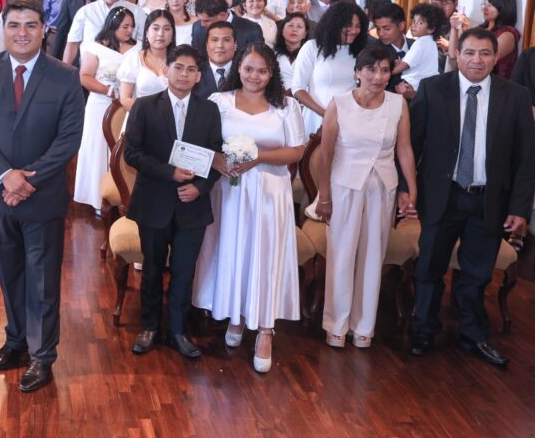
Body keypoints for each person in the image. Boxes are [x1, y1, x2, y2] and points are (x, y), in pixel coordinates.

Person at [0, 0, 84, 393]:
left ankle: (42, 355)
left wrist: (28, 179)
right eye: (14, 25)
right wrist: (5, 177)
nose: (22, 33)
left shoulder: (65, 76)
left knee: (43, 281)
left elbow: (68, 139)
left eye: (31, 25)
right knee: (9, 273)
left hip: (42, 195)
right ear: (2, 29)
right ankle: (15, 341)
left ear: (44, 30)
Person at [408, 28, 535, 366]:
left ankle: (472, 333)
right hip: (442, 196)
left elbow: (526, 158)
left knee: (477, 274)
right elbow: (412, 146)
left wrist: (520, 208)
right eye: (469, 52)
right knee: (429, 268)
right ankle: (423, 329)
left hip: (489, 200)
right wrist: (407, 190)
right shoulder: (433, 89)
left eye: (484, 53)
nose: (476, 60)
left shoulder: (516, 96)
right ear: (457, 54)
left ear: (496, 58)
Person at [192, 44, 306, 373]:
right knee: (234, 250)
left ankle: (266, 329)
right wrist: (218, 159)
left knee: (264, 255)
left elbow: (296, 151)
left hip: (270, 191)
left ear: (272, 74)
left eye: (262, 71)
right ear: (238, 68)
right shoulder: (219, 101)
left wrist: (258, 157)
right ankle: (237, 315)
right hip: (229, 191)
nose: (254, 76)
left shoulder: (286, 106)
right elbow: (205, 142)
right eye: (248, 69)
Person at [313, 46, 417, 348]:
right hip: (344, 184)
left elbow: (404, 149)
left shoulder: (398, 104)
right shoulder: (340, 103)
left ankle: (363, 325)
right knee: (342, 251)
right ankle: (336, 323)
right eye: (371, 70)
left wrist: (411, 188)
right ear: (358, 72)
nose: (378, 77)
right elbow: (326, 154)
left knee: (374, 252)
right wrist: (324, 196)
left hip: (382, 185)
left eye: (384, 70)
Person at [126, 44, 222, 358]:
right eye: (178, 67)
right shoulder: (144, 106)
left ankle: (178, 331)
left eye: (191, 70)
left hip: (192, 204)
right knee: (152, 269)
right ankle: (150, 327)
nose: (184, 74)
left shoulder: (209, 110)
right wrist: (170, 173)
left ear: (199, 76)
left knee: (184, 271)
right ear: (166, 70)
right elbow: (132, 154)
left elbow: (216, 157)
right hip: (154, 201)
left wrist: (200, 188)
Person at [73, 8, 137, 210]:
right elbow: (85, 76)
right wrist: (107, 90)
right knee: (98, 148)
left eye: (132, 26)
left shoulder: (137, 49)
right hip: (101, 103)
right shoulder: (97, 48)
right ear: (113, 25)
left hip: (128, 106)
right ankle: (97, 198)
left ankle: (124, 196)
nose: (129, 30)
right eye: (125, 26)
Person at [292, 1, 368, 135]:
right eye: (349, 26)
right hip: (317, 116)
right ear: (335, 25)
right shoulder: (312, 47)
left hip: (350, 118)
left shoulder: (360, 52)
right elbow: (298, 89)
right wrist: (326, 114)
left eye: (358, 26)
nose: (354, 31)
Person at [62, 0, 146, 66]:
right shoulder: (85, 11)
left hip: (127, 69)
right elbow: (73, 42)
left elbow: (143, 44)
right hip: (90, 69)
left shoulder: (137, 11)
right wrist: (65, 68)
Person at [451, 0, 519, 79]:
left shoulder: (507, 34)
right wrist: (454, 28)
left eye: (490, 5)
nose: (484, 8)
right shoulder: (481, 28)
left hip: (494, 83)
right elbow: (453, 54)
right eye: (484, 5)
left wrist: (467, 31)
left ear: (503, 7)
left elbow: (483, 59)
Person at [119, 10, 174, 112]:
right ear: (147, 32)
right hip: (139, 116)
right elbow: (125, 98)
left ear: (173, 34)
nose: (160, 34)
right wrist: (147, 117)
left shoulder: (179, 61)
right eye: (155, 28)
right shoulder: (134, 58)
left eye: (166, 29)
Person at [191, 0, 264, 58]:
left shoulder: (251, 29)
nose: (202, 24)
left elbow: (257, 59)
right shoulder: (197, 28)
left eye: (207, 21)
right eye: (200, 20)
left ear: (222, 15)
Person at [393, 3, 443, 93]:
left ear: (431, 28)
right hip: (427, 86)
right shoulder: (432, 43)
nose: (414, 25)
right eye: (413, 21)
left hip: (412, 84)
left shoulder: (420, 43)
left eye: (420, 23)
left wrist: (388, 72)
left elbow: (405, 65)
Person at [193, 21, 237, 99]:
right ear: (206, 45)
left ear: (235, 45)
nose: (220, 46)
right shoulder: (195, 72)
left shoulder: (243, 73)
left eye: (226, 40)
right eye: (215, 40)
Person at [274, 12, 308, 90]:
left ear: (305, 34)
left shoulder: (309, 55)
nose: (294, 29)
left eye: (299, 26)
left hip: (304, 95)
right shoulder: (272, 54)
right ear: (282, 31)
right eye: (290, 25)